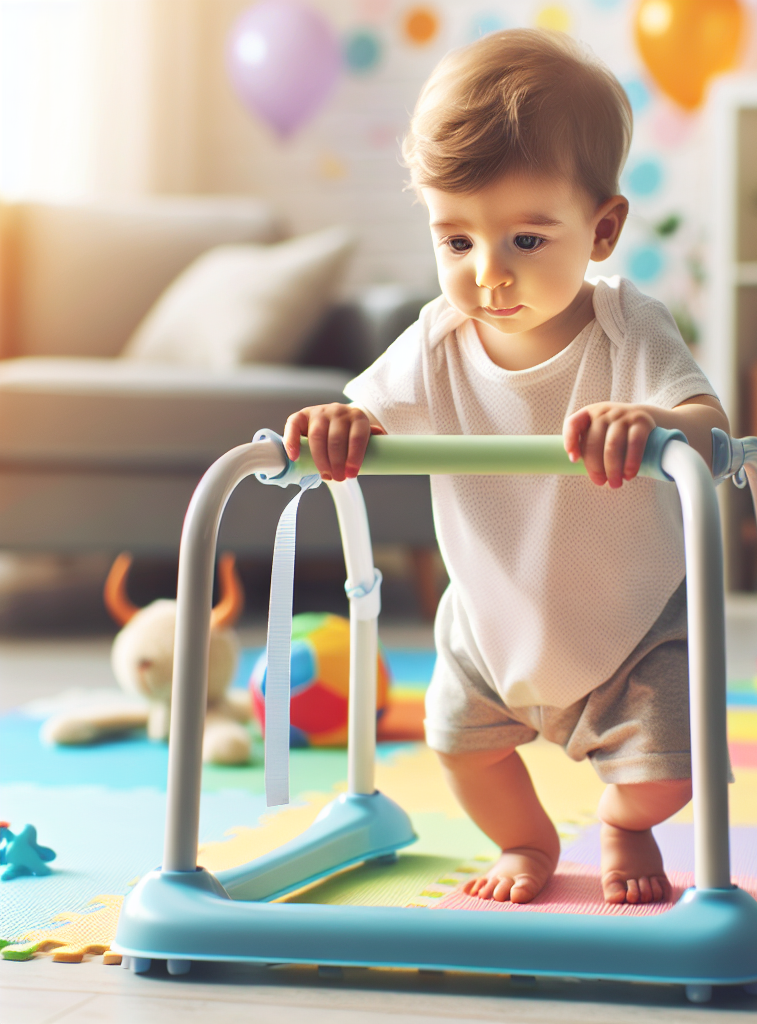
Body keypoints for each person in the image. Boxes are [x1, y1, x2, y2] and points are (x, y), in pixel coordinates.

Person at [284, 28, 729, 906]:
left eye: (526, 239)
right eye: (456, 242)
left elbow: (709, 430)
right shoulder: (435, 342)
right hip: (488, 620)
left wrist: (656, 421)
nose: (488, 274)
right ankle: (527, 843)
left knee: (668, 780)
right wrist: (341, 422)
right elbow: (364, 412)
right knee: (459, 748)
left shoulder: (627, 328)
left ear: (602, 230)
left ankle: (623, 823)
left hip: (628, 624)